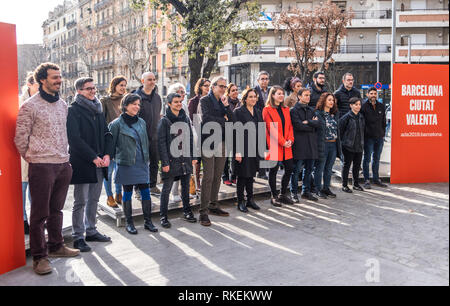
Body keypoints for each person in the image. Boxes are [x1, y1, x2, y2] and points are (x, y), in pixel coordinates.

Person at [15, 63, 80, 275]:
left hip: (62, 164)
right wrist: (34, 157)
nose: (59, 80)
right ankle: (40, 258)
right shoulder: (29, 106)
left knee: (57, 210)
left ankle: (56, 246)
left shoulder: (62, 104)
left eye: (60, 77)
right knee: (39, 214)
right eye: (55, 77)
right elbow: (20, 139)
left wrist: (64, 157)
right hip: (41, 165)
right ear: (42, 79)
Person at [67, 78, 114, 252]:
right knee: (80, 201)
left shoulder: (98, 109)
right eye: (88, 89)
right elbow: (74, 139)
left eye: (94, 88)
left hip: (101, 162)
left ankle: (91, 230)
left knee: (94, 199)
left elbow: (107, 133)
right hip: (83, 163)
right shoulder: (73, 110)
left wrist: (108, 154)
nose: (93, 91)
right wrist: (93, 157)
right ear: (79, 91)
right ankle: (78, 236)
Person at [109, 94, 158, 234]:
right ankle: (129, 223)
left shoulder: (141, 122)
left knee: (145, 191)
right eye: (134, 104)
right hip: (126, 163)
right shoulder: (115, 124)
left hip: (141, 162)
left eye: (138, 104)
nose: (137, 107)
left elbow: (146, 141)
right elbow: (110, 146)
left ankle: (148, 222)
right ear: (125, 105)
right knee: (127, 192)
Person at [158, 93, 198, 228]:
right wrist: (164, 162)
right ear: (169, 104)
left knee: (185, 187)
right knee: (167, 188)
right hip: (171, 158)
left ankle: (187, 211)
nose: (178, 104)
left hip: (185, 157)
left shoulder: (185, 118)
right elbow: (162, 143)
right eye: (175, 102)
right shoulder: (164, 121)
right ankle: (163, 216)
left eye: (180, 101)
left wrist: (193, 156)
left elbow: (191, 138)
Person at [199, 76, 234, 226]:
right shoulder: (204, 101)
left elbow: (232, 119)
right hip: (208, 142)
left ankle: (214, 205)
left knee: (218, 175)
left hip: (223, 142)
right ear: (213, 87)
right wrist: (223, 120)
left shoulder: (223, 102)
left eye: (225, 87)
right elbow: (206, 119)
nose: (223, 90)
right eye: (221, 86)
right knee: (208, 177)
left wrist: (226, 107)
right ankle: (203, 212)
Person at [263, 86, 295, 206]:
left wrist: (290, 140)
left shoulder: (286, 109)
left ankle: (282, 194)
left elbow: (290, 126)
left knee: (289, 168)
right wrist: (283, 142)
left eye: (282, 94)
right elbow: (271, 128)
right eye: (279, 94)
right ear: (272, 95)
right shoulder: (267, 110)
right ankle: (274, 196)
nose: (281, 96)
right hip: (275, 144)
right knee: (273, 170)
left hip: (287, 145)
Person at [233, 88, 263, 212]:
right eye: (250, 97)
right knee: (242, 176)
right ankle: (241, 201)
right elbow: (234, 132)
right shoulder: (238, 112)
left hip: (255, 148)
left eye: (255, 97)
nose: (253, 99)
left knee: (251, 175)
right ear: (245, 99)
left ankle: (250, 199)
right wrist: (237, 151)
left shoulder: (257, 111)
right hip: (242, 148)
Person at [101, 76, 127, 208]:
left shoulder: (127, 100)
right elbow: (102, 122)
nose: (123, 88)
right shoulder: (105, 101)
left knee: (120, 170)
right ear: (114, 85)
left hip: (123, 140)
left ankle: (119, 194)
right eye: (121, 85)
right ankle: (109, 196)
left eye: (124, 85)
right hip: (109, 140)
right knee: (109, 170)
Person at [134, 72, 162, 195]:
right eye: (149, 79)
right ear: (142, 81)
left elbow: (158, 115)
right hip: (140, 137)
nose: (152, 82)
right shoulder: (136, 97)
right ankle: (138, 188)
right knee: (140, 163)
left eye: (154, 79)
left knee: (155, 162)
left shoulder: (157, 97)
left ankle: (152, 185)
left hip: (155, 136)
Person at [290, 88, 320, 202]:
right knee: (296, 170)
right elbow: (298, 126)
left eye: (309, 95)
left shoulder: (311, 110)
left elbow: (318, 124)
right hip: (300, 145)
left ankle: (305, 191)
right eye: (306, 95)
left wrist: (308, 122)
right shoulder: (294, 110)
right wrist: (311, 125)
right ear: (299, 97)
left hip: (311, 144)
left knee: (309, 170)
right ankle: (293, 192)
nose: (308, 97)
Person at [19, 72, 39, 235]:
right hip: (21, 155)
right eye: (38, 85)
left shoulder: (43, 101)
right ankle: (23, 220)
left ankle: (36, 221)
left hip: (38, 154)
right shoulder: (19, 102)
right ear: (30, 84)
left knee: (36, 191)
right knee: (21, 189)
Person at [314, 93, 342, 199]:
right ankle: (317, 189)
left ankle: (326, 188)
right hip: (323, 144)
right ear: (324, 101)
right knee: (320, 168)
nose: (331, 102)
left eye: (333, 100)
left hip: (333, 144)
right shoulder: (318, 114)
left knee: (329, 168)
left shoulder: (334, 114)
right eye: (329, 100)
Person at [361, 87, 388, 189]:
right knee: (367, 158)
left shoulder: (381, 106)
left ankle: (376, 179)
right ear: (367, 95)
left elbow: (384, 122)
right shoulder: (363, 106)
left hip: (379, 137)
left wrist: (383, 133)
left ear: (377, 95)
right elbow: (362, 123)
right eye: (371, 93)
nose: (373, 95)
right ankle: (366, 180)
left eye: (375, 93)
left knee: (376, 159)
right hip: (368, 138)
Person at [188, 78, 211, 190]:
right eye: (205, 85)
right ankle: (197, 182)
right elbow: (191, 118)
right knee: (197, 160)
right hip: (197, 133)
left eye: (209, 85)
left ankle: (207, 182)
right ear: (200, 87)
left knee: (208, 160)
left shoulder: (212, 100)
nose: (208, 88)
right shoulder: (193, 101)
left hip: (210, 133)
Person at [339, 97, 365, 193]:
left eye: (359, 104)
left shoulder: (361, 117)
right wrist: (343, 144)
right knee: (346, 166)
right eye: (356, 104)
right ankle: (344, 185)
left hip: (359, 145)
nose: (358, 106)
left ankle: (356, 184)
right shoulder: (346, 118)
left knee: (357, 166)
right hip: (348, 146)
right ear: (351, 106)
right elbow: (340, 132)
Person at [222, 83, 240, 186]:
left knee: (235, 155)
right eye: (233, 90)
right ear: (228, 93)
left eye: (236, 90)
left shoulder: (240, 103)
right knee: (226, 156)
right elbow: (225, 117)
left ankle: (234, 175)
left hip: (237, 131)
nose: (235, 92)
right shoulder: (225, 103)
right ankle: (225, 176)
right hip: (227, 131)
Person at [254, 71, 271, 180]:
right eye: (262, 79)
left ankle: (265, 169)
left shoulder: (271, 91)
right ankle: (261, 172)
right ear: (258, 80)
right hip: (258, 122)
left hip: (270, 122)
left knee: (268, 147)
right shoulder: (254, 91)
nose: (264, 81)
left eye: (266, 79)